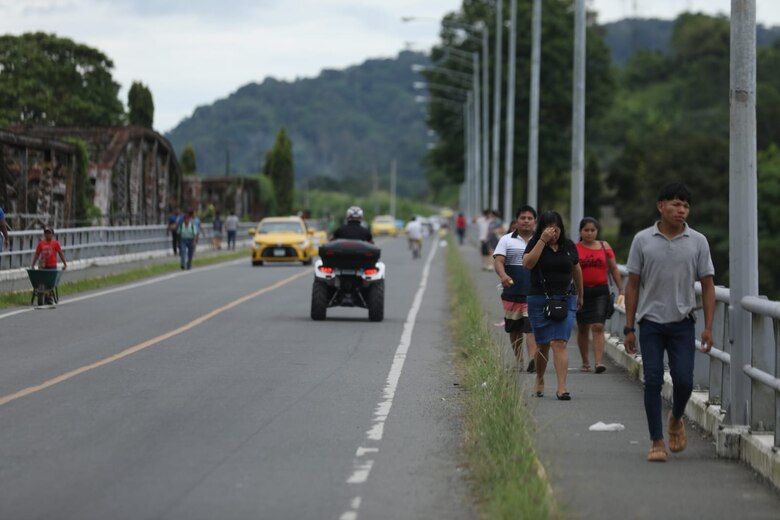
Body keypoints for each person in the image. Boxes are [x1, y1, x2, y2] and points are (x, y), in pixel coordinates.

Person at [624, 182, 715, 463]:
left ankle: (676, 417)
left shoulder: (698, 241)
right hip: (650, 322)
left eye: (685, 205)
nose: (681, 210)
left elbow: (708, 285)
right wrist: (629, 327)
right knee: (652, 380)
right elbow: (632, 284)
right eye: (676, 204)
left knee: (684, 381)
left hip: (682, 322)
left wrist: (708, 327)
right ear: (661, 206)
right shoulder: (642, 240)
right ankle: (657, 441)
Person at [522, 211, 583, 401]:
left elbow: (576, 269)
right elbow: (528, 264)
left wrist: (581, 294)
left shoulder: (568, 246)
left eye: (556, 228)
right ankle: (540, 379)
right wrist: (542, 240)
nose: (553, 232)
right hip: (539, 298)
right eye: (548, 228)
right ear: (541, 228)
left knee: (560, 342)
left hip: (565, 299)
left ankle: (562, 387)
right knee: (543, 344)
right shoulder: (535, 243)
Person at [575, 217, 624, 374]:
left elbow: (614, 268)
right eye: (586, 230)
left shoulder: (604, 246)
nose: (589, 233)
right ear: (580, 231)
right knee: (583, 327)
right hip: (581, 291)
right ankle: (585, 362)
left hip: (600, 291)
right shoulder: (575, 248)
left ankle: (598, 362)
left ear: (597, 231)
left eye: (593, 230)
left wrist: (621, 289)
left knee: (598, 326)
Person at [493, 205, 539, 372]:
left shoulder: (540, 241)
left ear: (535, 221)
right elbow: (498, 261)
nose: (526, 221)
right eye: (523, 218)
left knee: (530, 326)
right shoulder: (506, 240)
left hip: (533, 292)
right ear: (517, 221)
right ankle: (519, 360)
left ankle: (533, 359)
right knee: (515, 329)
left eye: (529, 218)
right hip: (512, 292)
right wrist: (503, 275)